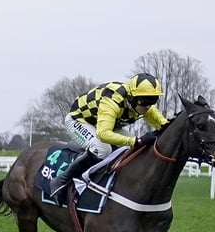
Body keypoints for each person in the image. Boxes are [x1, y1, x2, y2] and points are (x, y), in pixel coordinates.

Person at [49, 73, 169, 205]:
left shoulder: (144, 104)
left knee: (134, 149)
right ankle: (61, 180)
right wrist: (136, 140)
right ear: (131, 97)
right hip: (80, 120)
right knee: (102, 148)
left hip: (108, 123)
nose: (148, 106)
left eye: (153, 100)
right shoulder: (113, 99)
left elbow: (164, 124)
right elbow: (103, 134)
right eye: (144, 101)